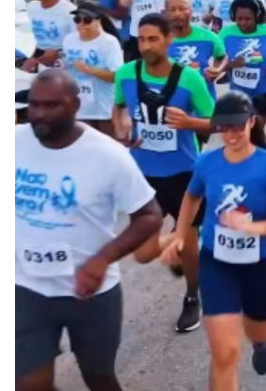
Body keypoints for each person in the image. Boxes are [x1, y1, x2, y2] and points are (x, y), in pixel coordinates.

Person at [16, 70, 162, 391]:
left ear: (75, 105)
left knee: (98, 377)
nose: (39, 114)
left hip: (90, 294)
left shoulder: (108, 155)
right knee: (28, 383)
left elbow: (150, 215)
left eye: (51, 105)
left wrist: (101, 261)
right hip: (26, 288)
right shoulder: (12, 142)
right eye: (34, 105)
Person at [160, 91, 266, 386]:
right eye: (224, 127)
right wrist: (180, 234)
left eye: (237, 125)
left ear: (251, 123)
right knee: (224, 353)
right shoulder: (207, 162)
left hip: (261, 263)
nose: (231, 133)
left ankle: (261, 343)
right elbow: (192, 196)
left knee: (256, 326)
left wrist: (253, 228)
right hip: (217, 262)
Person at [113, 13, 215, 333]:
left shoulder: (190, 79)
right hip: (143, 175)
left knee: (189, 245)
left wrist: (189, 123)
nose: (146, 46)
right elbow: (118, 108)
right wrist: (122, 127)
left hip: (183, 173)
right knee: (143, 254)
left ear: (169, 40)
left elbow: (219, 122)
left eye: (153, 38)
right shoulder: (126, 74)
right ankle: (182, 242)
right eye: (141, 39)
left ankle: (192, 296)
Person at [219, 0, 266, 142]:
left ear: (257, 16)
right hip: (238, 91)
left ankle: (260, 160)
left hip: (265, 88)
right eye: (239, 18)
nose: (243, 23)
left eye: (248, 19)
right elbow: (218, 61)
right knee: (244, 132)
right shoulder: (226, 34)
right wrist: (230, 65)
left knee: (255, 130)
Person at [62, 2, 124, 136]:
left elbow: (117, 76)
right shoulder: (68, 40)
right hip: (80, 107)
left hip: (104, 108)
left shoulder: (109, 43)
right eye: (77, 20)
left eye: (87, 20)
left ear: (97, 21)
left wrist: (90, 70)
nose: (81, 24)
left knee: (109, 147)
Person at [167, 0, 227, 102]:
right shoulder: (159, 40)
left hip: (204, 102)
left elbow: (222, 57)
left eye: (182, 8)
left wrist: (217, 70)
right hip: (172, 103)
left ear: (191, 11)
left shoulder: (209, 37)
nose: (177, 13)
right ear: (165, 13)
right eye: (172, 10)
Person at [23, 0, 76, 72]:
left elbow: (81, 43)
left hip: (65, 62)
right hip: (39, 58)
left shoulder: (70, 12)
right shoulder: (32, 7)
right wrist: (32, 59)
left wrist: (58, 54)